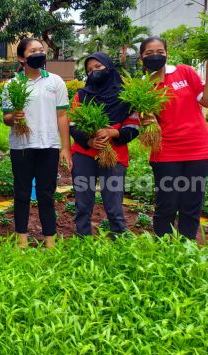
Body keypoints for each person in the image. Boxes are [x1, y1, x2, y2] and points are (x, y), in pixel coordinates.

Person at [139, 36, 208, 240]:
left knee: (192, 203)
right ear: (141, 57)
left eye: (160, 52)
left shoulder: (183, 71)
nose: (155, 56)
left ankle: (186, 248)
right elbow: (144, 120)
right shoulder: (142, 88)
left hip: (198, 148)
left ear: (167, 54)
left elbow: (207, 101)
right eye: (149, 53)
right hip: (165, 151)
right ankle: (163, 249)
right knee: (167, 203)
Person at [1, 38, 71, 249]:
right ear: (22, 58)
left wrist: (65, 147)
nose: (39, 53)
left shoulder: (55, 81)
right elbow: (6, 118)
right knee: (21, 193)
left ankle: (50, 238)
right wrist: (15, 117)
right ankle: (21, 237)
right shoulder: (12, 85)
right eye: (33, 51)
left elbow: (62, 115)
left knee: (46, 194)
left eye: (41, 50)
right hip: (21, 146)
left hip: (48, 145)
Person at [69, 52, 140, 236]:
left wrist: (113, 132)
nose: (94, 72)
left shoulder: (126, 97)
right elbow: (72, 124)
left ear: (109, 68)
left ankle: (120, 239)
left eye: (98, 67)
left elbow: (134, 127)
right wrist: (89, 140)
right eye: (90, 70)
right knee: (83, 203)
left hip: (114, 155)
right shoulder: (81, 96)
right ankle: (82, 238)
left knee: (114, 203)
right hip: (85, 154)